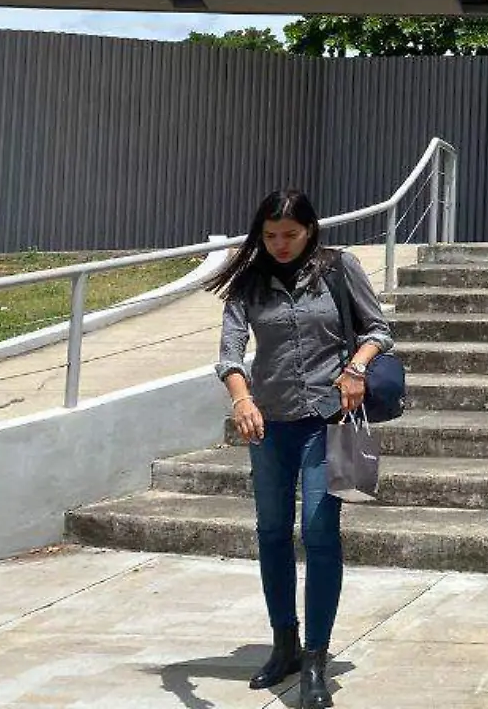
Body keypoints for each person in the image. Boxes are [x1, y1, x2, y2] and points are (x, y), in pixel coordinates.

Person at [207, 189, 391, 708]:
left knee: (317, 528)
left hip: (326, 420)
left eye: (290, 234)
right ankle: (283, 643)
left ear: (310, 229)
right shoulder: (248, 282)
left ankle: (316, 658)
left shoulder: (337, 268)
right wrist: (241, 399)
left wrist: (356, 367)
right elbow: (230, 351)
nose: (280, 244)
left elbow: (380, 329)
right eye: (269, 236)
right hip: (267, 423)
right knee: (270, 530)